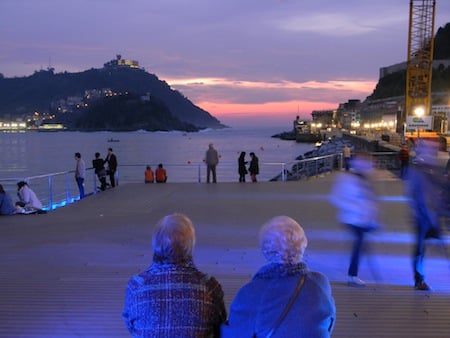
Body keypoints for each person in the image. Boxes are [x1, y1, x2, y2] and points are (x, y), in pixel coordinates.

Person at [221, 216, 335, 337]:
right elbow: (328, 323)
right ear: (303, 245)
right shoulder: (319, 284)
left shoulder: (250, 293)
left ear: (266, 251)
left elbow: (234, 333)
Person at [122, 213, 227, 337]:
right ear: (190, 246)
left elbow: (131, 325)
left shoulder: (137, 286)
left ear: (155, 244)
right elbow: (220, 324)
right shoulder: (208, 286)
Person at [329, 155, 379, 287]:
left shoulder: (364, 179)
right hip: (353, 219)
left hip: (362, 219)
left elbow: (368, 199)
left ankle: (352, 273)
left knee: (360, 245)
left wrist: (371, 214)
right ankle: (352, 275)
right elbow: (335, 198)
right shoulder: (345, 179)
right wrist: (357, 209)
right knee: (359, 245)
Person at [406, 141, 445, 291]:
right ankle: (419, 280)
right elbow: (413, 195)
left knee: (425, 248)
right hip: (423, 218)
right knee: (420, 250)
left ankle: (419, 278)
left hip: (432, 217)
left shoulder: (434, 172)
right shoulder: (418, 174)